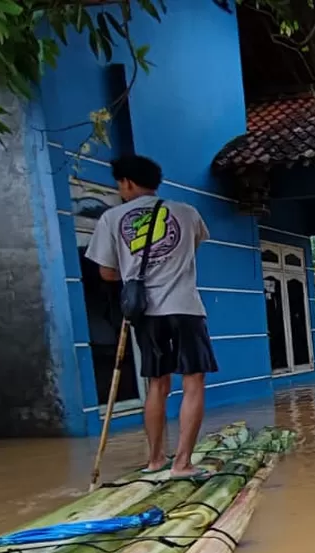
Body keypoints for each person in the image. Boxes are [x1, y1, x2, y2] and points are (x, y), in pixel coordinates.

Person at [87, 155, 217, 478]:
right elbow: (190, 251)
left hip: (147, 312)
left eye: (120, 184)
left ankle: (156, 460)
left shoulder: (112, 218)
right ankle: (183, 463)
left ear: (127, 182)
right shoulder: (188, 213)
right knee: (194, 382)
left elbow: (105, 271)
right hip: (186, 308)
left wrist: (135, 277)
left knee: (157, 384)